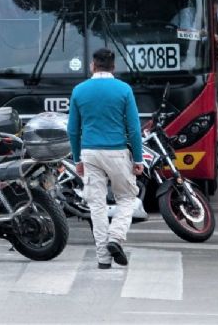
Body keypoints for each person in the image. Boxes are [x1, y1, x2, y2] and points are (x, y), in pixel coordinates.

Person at [67, 47, 143, 269]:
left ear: (92, 65)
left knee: (96, 205)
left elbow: (73, 130)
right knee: (127, 198)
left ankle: (103, 258)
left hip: (89, 153)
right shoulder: (124, 89)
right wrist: (138, 159)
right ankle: (116, 237)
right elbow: (134, 129)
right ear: (114, 66)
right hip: (117, 152)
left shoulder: (79, 90)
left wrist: (77, 160)